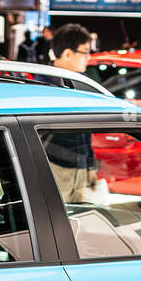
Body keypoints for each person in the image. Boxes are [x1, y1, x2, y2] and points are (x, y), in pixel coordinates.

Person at [44, 24, 99, 203]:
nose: (88, 58)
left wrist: (90, 166)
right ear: (68, 53)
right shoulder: (42, 86)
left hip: (80, 169)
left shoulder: (80, 84)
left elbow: (86, 128)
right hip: (54, 168)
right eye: (85, 52)